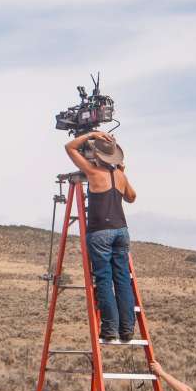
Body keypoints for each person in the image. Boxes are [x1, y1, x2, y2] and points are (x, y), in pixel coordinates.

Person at [65, 130, 137, 342]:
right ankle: (127, 329)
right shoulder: (120, 175)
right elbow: (132, 197)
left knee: (104, 279)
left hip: (100, 232)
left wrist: (91, 134)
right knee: (123, 279)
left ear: (97, 155)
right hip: (121, 231)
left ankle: (110, 329)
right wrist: (122, 173)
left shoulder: (93, 173)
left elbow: (69, 147)